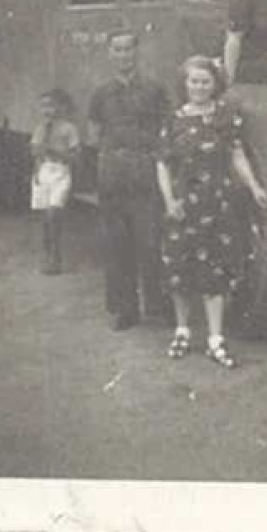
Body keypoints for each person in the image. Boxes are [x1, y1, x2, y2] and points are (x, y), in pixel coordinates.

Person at [156, 56, 267, 368]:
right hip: (182, 206)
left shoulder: (224, 119)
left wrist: (254, 186)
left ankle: (215, 339)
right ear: (185, 84)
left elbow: (237, 155)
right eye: (194, 81)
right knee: (180, 269)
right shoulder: (173, 120)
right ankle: (182, 331)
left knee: (214, 272)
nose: (199, 87)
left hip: (217, 205)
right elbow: (163, 165)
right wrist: (169, 202)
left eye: (205, 82)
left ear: (214, 85)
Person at [87, 29, 170, 330]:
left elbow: (165, 128)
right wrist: (108, 161)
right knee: (117, 245)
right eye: (117, 50)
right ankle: (126, 309)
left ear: (137, 52)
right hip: (112, 174)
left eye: (128, 49)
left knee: (150, 242)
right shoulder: (101, 92)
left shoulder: (153, 89)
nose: (123, 55)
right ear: (110, 54)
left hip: (145, 171)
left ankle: (157, 305)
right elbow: (94, 132)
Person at [30, 89, 80, 275]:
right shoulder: (39, 128)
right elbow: (35, 151)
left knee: (54, 214)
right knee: (45, 219)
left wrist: (57, 152)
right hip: (44, 172)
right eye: (43, 106)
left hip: (61, 172)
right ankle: (47, 256)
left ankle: (56, 256)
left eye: (50, 106)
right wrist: (36, 170)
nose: (47, 110)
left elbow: (76, 157)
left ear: (59, 107)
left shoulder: (69, 128)